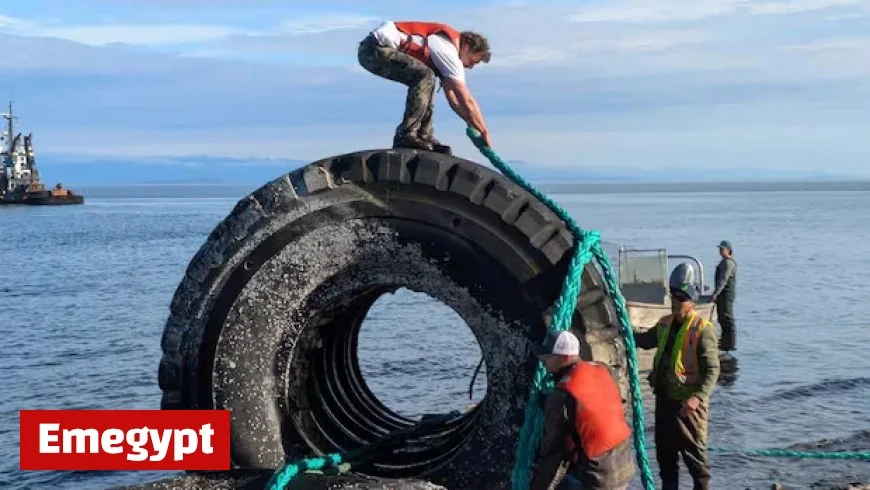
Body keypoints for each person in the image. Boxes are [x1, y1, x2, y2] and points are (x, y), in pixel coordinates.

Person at [633, 263, 720, 490]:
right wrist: (624, 327)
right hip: (664, 402)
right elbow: (643, 341)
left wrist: (697, 397)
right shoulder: (664, 324)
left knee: (696, 462)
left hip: (688, 407)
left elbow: (713, 369)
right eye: (672, 296)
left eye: (681, 298)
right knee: (666, 459)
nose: (675, 302)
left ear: (691, 301)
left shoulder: (703, 329)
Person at [357, 20, 493, 154]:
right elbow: (466, 99)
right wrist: (483, 129)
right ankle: (406, 134)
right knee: (425, 76)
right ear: (466, 47)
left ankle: (423, 135)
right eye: (473, 61)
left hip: (373, 50)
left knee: (428, 79)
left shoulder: (447, 52)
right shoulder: (447, 50)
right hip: (373, 50)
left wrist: (471, 123)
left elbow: (453, 99)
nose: (471, 66)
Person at [529, 329, 636, 490]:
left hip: (599, 476)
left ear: (564, 358)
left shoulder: (563, 395)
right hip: (624, 464)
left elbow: (554, 451)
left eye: (547, 357)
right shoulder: (602, 369)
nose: (542, 361)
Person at [712, 240, 737, 351]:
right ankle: (725, 342)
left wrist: (716, 293)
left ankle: (730, 344)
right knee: (722, 318)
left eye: (722, 249)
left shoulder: (728, 263)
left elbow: (723, 280)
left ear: (729, 250)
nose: (720, 251)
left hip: (726, 294)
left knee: (727, 318)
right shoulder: (724, 262)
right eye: (720, 249)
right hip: (722, 294)